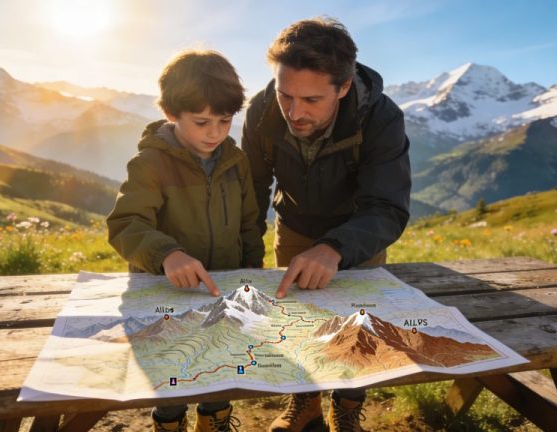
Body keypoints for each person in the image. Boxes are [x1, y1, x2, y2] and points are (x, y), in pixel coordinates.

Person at [241, 17, 411, 432]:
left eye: (312, 100)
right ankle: (306, 403)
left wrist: (335, 247)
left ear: (344, 87)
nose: (294, 113)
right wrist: (244, 264)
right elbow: (251, 193)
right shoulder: (263, 111)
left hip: (360, 231)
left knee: (358, 326)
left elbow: (387, 207)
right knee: (299, 319)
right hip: (295, 225)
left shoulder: (382, 119)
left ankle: (348, 407)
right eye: (286, 95)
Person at [107, 49, 264, 432]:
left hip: (221, 291)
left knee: (219, 366)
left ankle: (215, 420)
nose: (214, 133)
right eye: (201, 122)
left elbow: (248, 223)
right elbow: (126, 223)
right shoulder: (149, 164)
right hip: (166, 294)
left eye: (225, 120)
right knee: (171, 372)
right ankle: (169, 422)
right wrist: (167, 255)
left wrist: (251, 272)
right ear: (171, 113)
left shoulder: (236, 161)